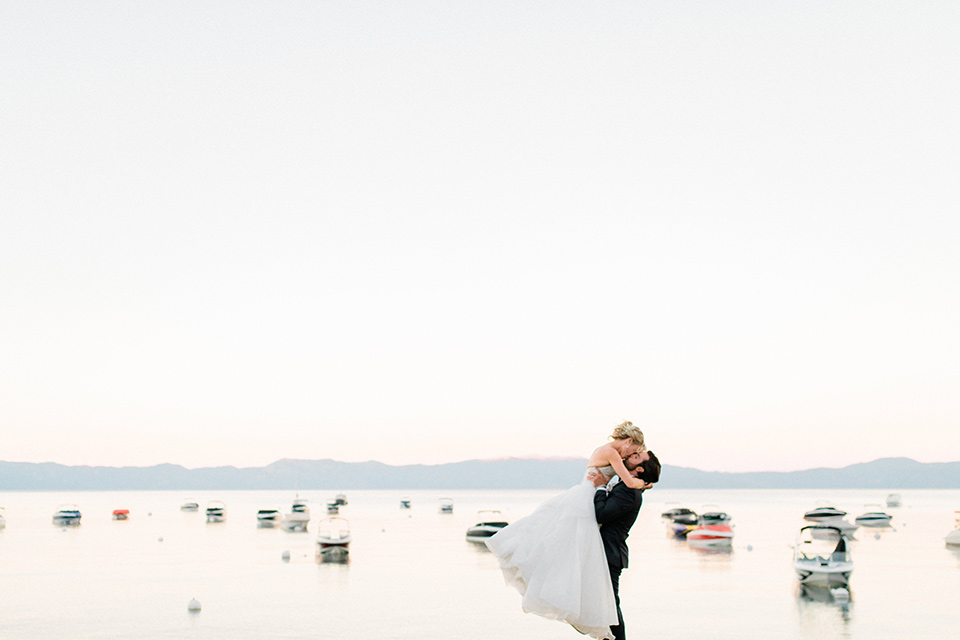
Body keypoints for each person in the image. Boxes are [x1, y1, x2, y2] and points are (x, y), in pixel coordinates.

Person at [485, 421, 651, 640]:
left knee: (574, 554)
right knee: (572, 550)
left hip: (588, 497)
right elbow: (629, 482)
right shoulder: (611, 452)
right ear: (629, 441)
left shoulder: (608, 451)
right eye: (635, 450)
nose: (633, 454)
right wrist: (646, 484)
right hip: (586, 498)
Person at [591, 449, 661, 640]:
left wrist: (600, 488)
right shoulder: (628, 485)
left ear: (638, 469)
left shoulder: (630, 492)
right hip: (607, 552)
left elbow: (602, 514)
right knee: (605, 607)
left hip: (610, 553)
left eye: (636, 457)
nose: (630, 456)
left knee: (611, 608)